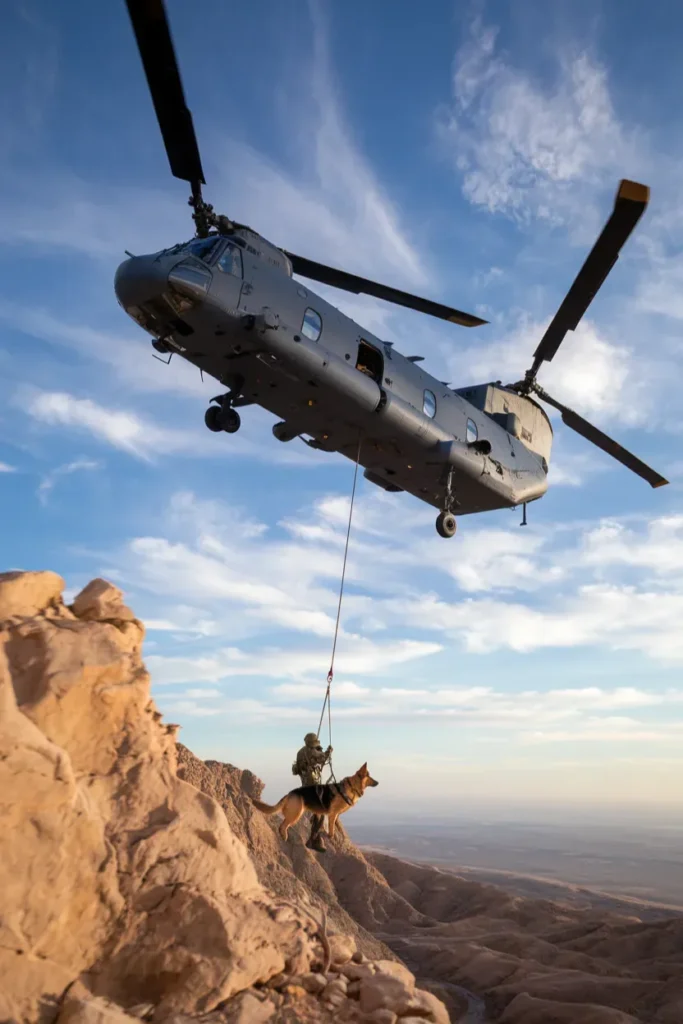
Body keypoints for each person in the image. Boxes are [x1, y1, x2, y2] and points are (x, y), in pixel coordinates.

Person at [292, 732, 333, 852]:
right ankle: (313, 839)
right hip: (313, 788)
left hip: (306, 786)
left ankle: (314, 839)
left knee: (317, 815)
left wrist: (318, 751)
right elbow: (323, 759)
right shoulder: (311, 752)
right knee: (321, 813)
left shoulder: (301, 752)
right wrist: (329, 751)